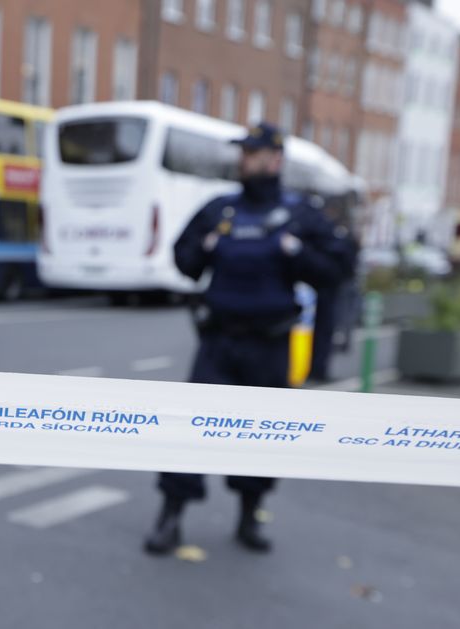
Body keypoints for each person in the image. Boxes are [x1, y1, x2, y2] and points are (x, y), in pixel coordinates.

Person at [145, 122, 348, 557]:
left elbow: (337, 271)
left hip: (270, 346)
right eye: (243, 153)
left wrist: (298, 254)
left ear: (275, 159)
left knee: (262, 437)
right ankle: (171, 516)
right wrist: (206, 246)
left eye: (252, 154)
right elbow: (184, 260)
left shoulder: (300, 214)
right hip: (218, 342)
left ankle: (249, 514)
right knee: (188, 433)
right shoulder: (221, 209)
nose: (244, 160)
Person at [308, 201, 359, 381]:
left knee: (324, 329)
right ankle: (317, 369)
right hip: (330, 287)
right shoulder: (335, 234)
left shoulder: (327, 234)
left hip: (328, 286)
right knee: (325, 329)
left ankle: (316, 368)